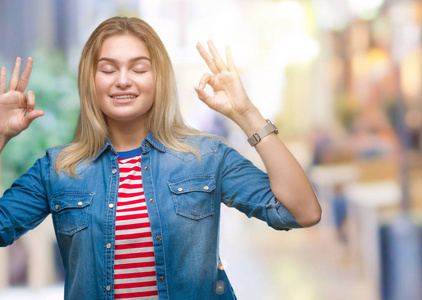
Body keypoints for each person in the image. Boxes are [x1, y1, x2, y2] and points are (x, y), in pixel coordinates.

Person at [0, 16, 321, 299]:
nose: (123, 80)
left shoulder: (205, 157)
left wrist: (247, 114)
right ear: (90, 80)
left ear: (158, 79)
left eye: (139, 68)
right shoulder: (58, 169)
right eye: (108, 69)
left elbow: (301, 211)